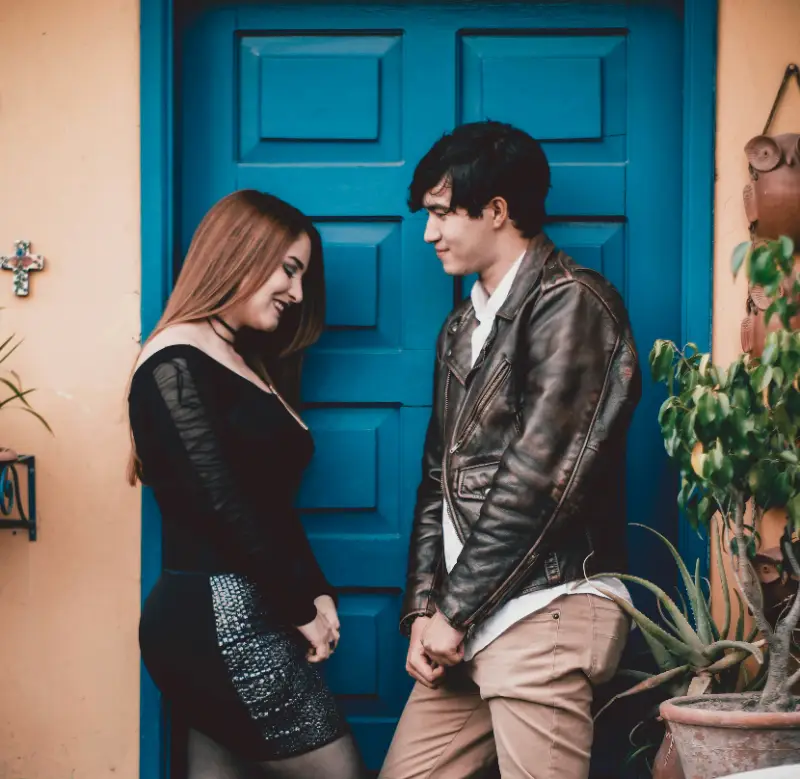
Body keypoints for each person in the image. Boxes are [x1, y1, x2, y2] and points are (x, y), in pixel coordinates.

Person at [379, 121, 642, 779]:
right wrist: (423, 609)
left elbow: (541, 480)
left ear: (496, 210)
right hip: (468, 616)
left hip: (543, 609)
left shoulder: (573, 305)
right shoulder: (463, 325)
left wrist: (452, 608)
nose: (428, 232)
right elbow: (438, 478)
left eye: (441, 212)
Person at [128, 190, 365, 779]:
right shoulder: (173, 362)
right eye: (289, 269)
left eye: (303, 275)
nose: (298, 292)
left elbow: (269, 504)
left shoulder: (239, 359)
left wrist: (314, 590)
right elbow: (222, 508)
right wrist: (296, 604)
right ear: (238, 254)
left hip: (237, 616)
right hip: (217, 623)